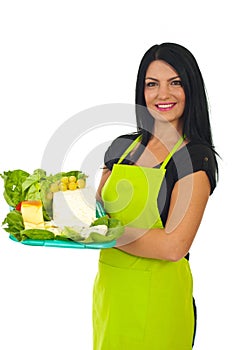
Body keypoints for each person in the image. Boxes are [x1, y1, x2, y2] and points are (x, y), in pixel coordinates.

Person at [93, 42, 218, 350]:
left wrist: (103, 235)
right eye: (152, 84)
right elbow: (97, 211)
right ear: (142, 92)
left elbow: (174, 246)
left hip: (162, 300)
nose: (163, 94)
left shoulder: (194, 158)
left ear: (191, 90)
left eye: (175, 83)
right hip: (112, 295)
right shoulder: (121, 148)